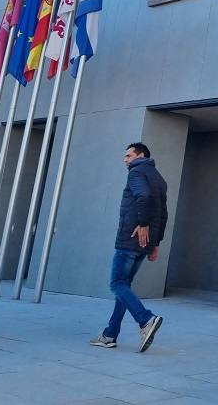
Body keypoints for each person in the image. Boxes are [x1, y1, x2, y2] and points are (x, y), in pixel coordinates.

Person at [89, 142, 167, 353]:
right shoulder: (158, 178)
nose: (125, 160)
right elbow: (163, 214)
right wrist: (155, 244)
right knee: (124, 288)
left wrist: (142, 223)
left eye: (128, 155)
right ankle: (109, 334)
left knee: (117, 284)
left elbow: (144, 197)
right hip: (144, 243)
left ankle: (145, 319)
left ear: (141, 155)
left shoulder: (136, 173)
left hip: (130, 239)